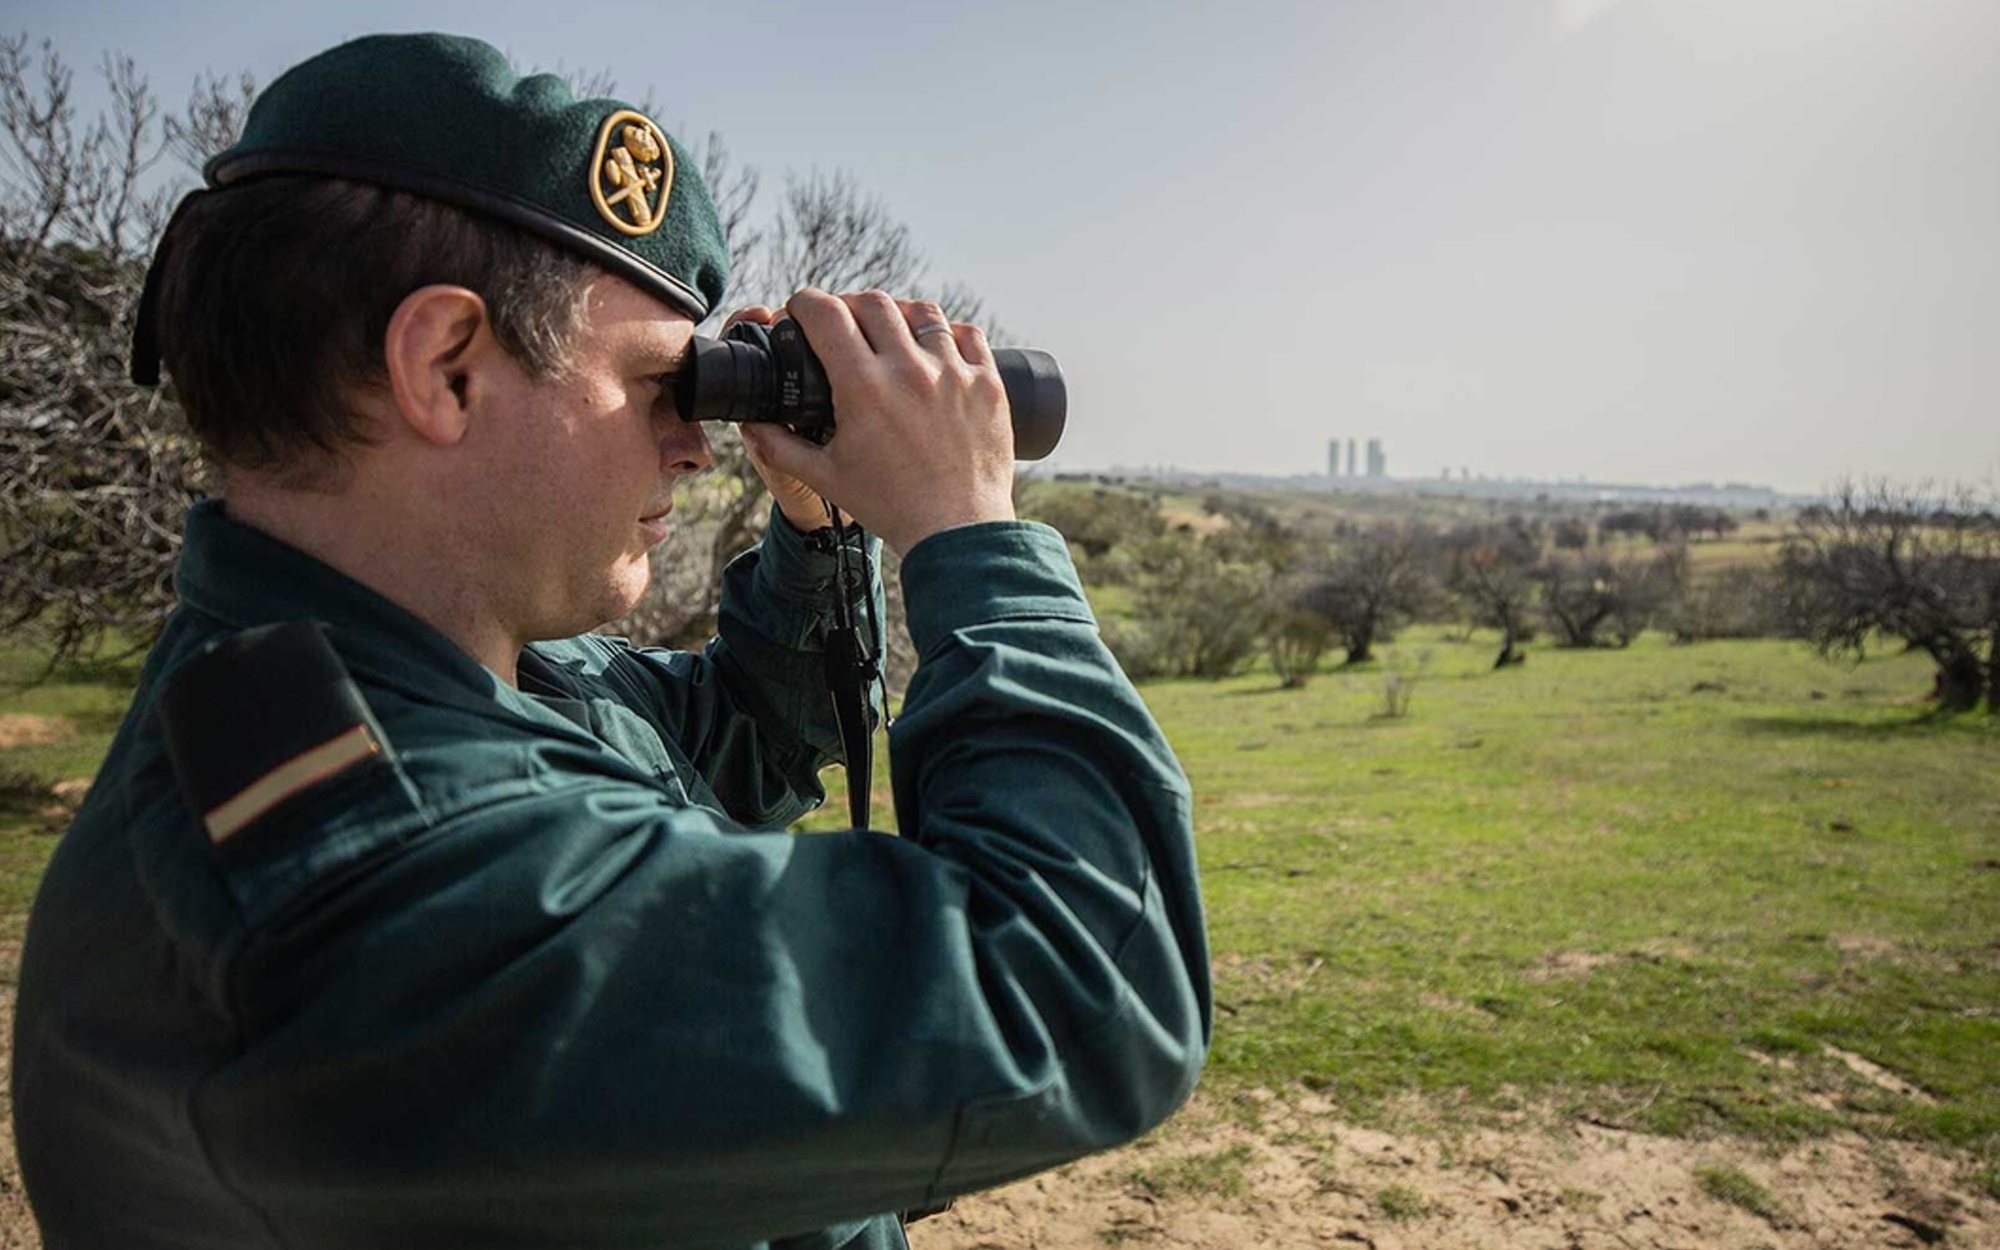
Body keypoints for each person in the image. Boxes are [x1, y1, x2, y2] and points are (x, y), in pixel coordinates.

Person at [11, 32, 1209, 1250]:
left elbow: (732, 745)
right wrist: (968, 532)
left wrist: (813, 534)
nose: (692, 444)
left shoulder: (439, 678)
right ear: (445, 367)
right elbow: (1081, 988)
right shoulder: (374, 880)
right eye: (657, 386)